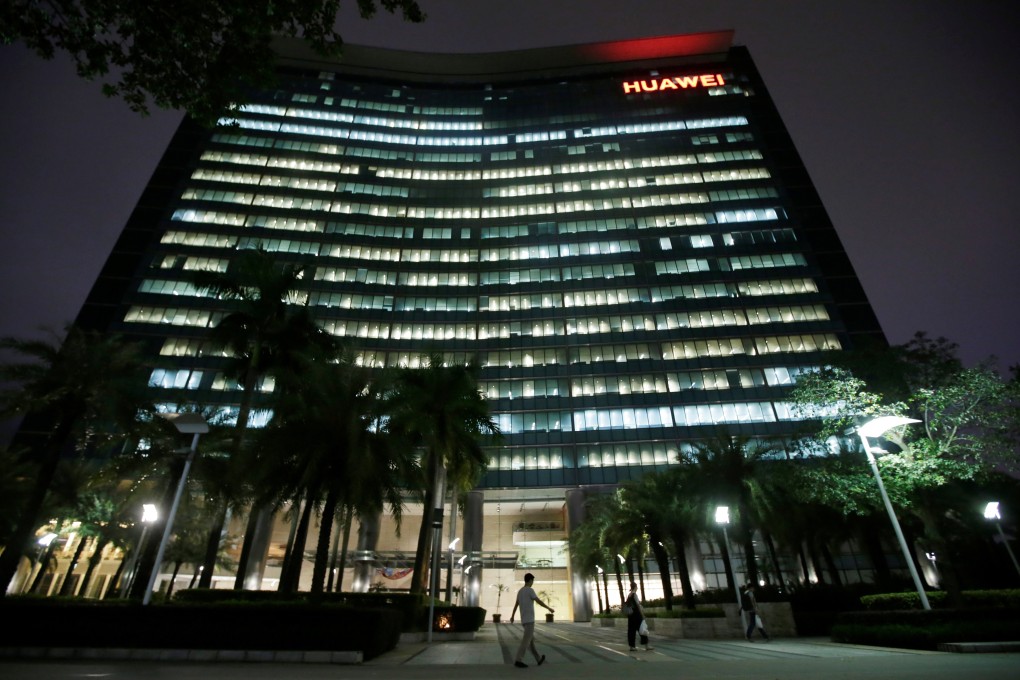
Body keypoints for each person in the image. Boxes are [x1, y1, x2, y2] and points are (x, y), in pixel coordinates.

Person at [509, 572, 555, 668]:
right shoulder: (530, 590)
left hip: (524, 620)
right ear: (530, 580)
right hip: (529, 620)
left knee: (530, 641)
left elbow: (516, 605)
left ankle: (538, 659)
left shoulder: (520, 591)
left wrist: (512, 616)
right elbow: (538, 601)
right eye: (532, 581)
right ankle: (518, 660)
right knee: (526, 641)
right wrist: (549, 608)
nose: (532, 582)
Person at [624, 580, 653, 651]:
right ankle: (647, 646)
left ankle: (632, 647)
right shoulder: (634, 595)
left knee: (631, 631)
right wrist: (642, 615)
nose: (637, 588)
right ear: (635, 587)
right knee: (642, 629)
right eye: (637, 587)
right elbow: (638, 606)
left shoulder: (629, 595)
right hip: (637, 615)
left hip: (631, 616)